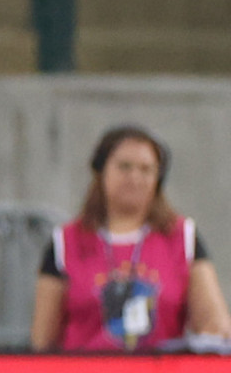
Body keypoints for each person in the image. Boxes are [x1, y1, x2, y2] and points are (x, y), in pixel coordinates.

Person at [31, 124, 231, 352]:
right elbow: (43, 340)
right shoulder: (65, 243)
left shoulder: (183, 238)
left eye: (146, 169)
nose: (135, 178)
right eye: (124, 167)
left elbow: (215, 326)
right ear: (101, 171)